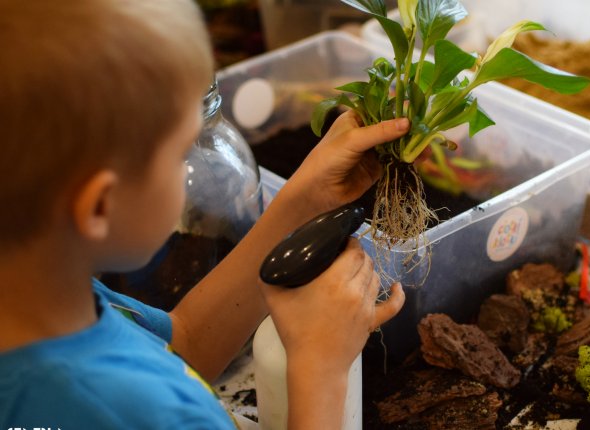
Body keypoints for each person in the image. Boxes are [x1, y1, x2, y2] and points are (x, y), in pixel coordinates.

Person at [0, 0, 407, 428]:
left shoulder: (45, 303)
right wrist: (320, 368)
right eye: (182, 153)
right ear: (101, 206)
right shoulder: (141, 413)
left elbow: (183, 348)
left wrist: (307, 197)